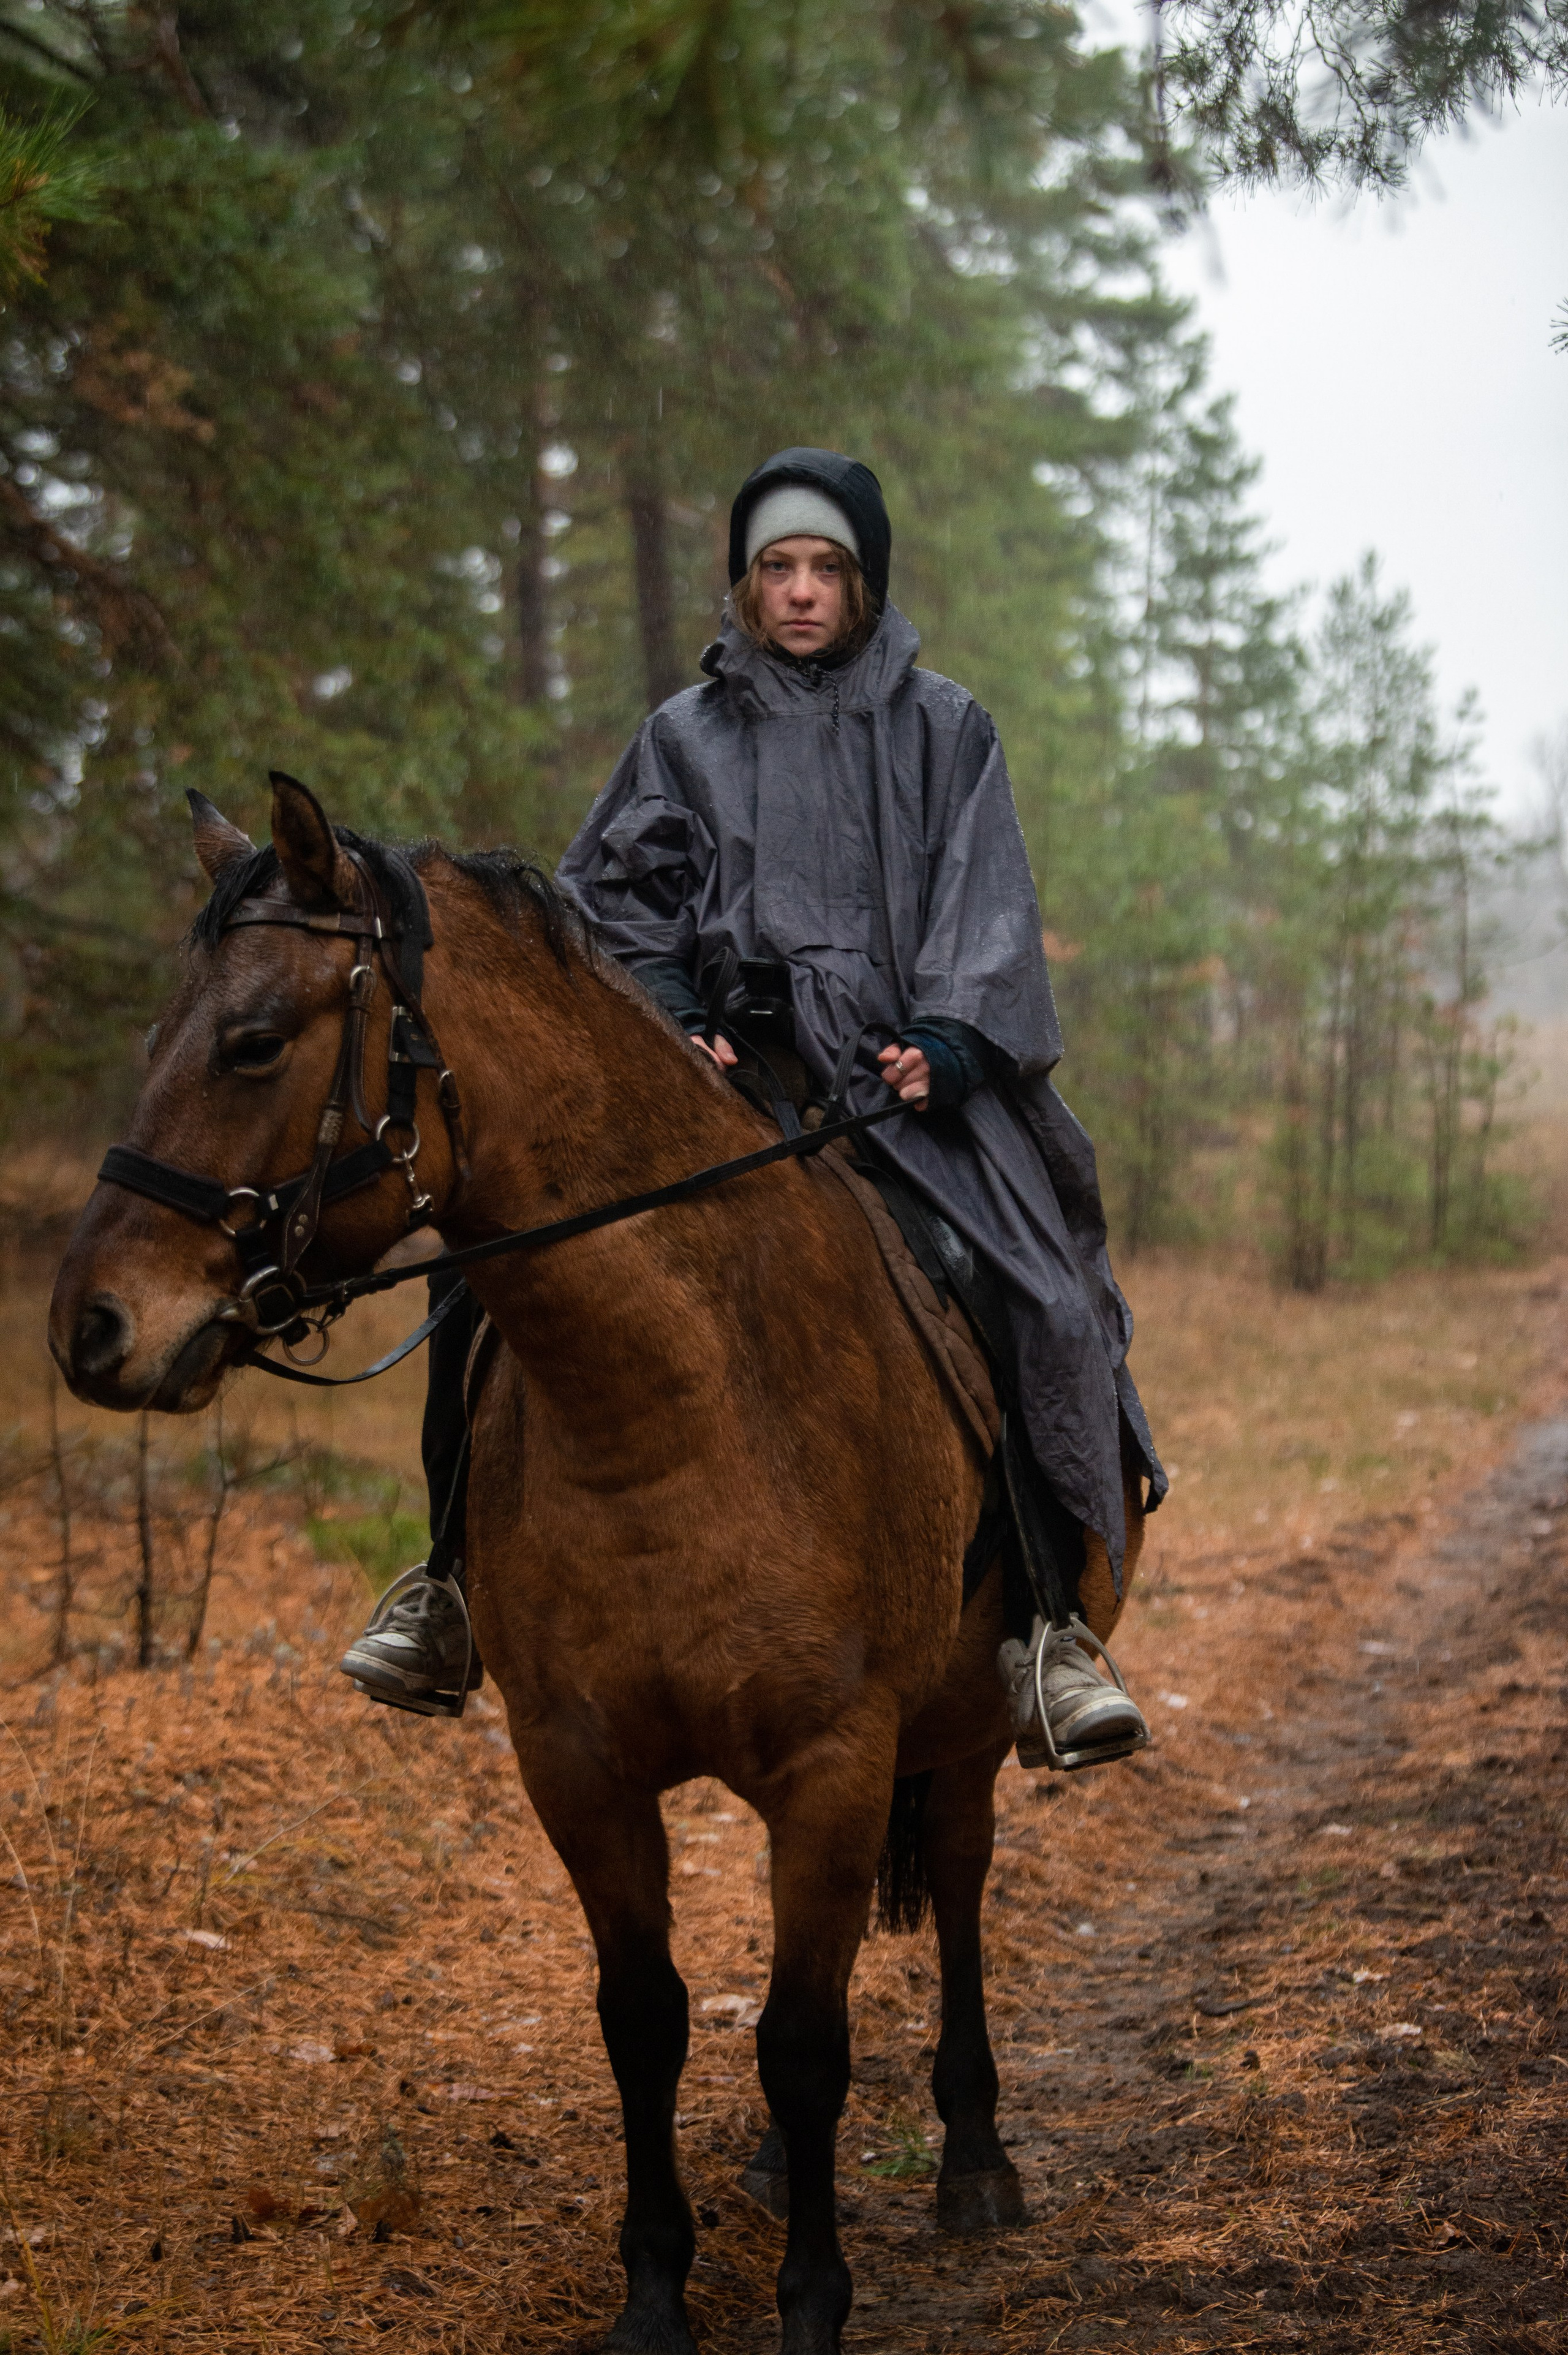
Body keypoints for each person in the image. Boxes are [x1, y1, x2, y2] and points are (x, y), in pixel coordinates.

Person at [340, 447, 1164, 1768]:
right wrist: (677, 1011)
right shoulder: (682, 737)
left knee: (1032, 1294)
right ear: (744, 582)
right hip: (714, 1085)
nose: (799, 592)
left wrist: (951, 1041)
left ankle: (1049, 1631)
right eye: (776, 568)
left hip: (898, 1093)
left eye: (824, 568)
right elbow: (607, 908)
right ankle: (445, 1590)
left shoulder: (947, 730)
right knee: (489, 1269)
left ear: (863, 580)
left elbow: (988, 907)